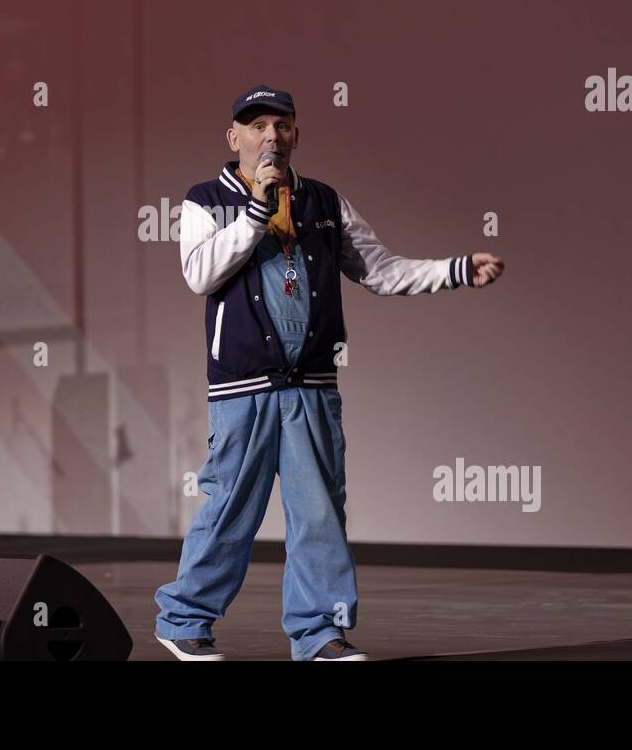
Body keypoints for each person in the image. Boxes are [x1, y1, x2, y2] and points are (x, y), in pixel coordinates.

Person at [153, 85, 504, 661]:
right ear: (233, 136)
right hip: (243, 387)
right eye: (259, 125)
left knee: (320, 514)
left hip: (312, 386)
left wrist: (457, 269)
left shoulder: (325, 202)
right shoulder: (204, 200)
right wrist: (257, 213)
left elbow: (382, 270)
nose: (272, 136)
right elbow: (201, 273)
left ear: (296, 134)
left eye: (284, 125)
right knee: (228, 509)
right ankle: (184, 619)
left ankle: (320, 634)